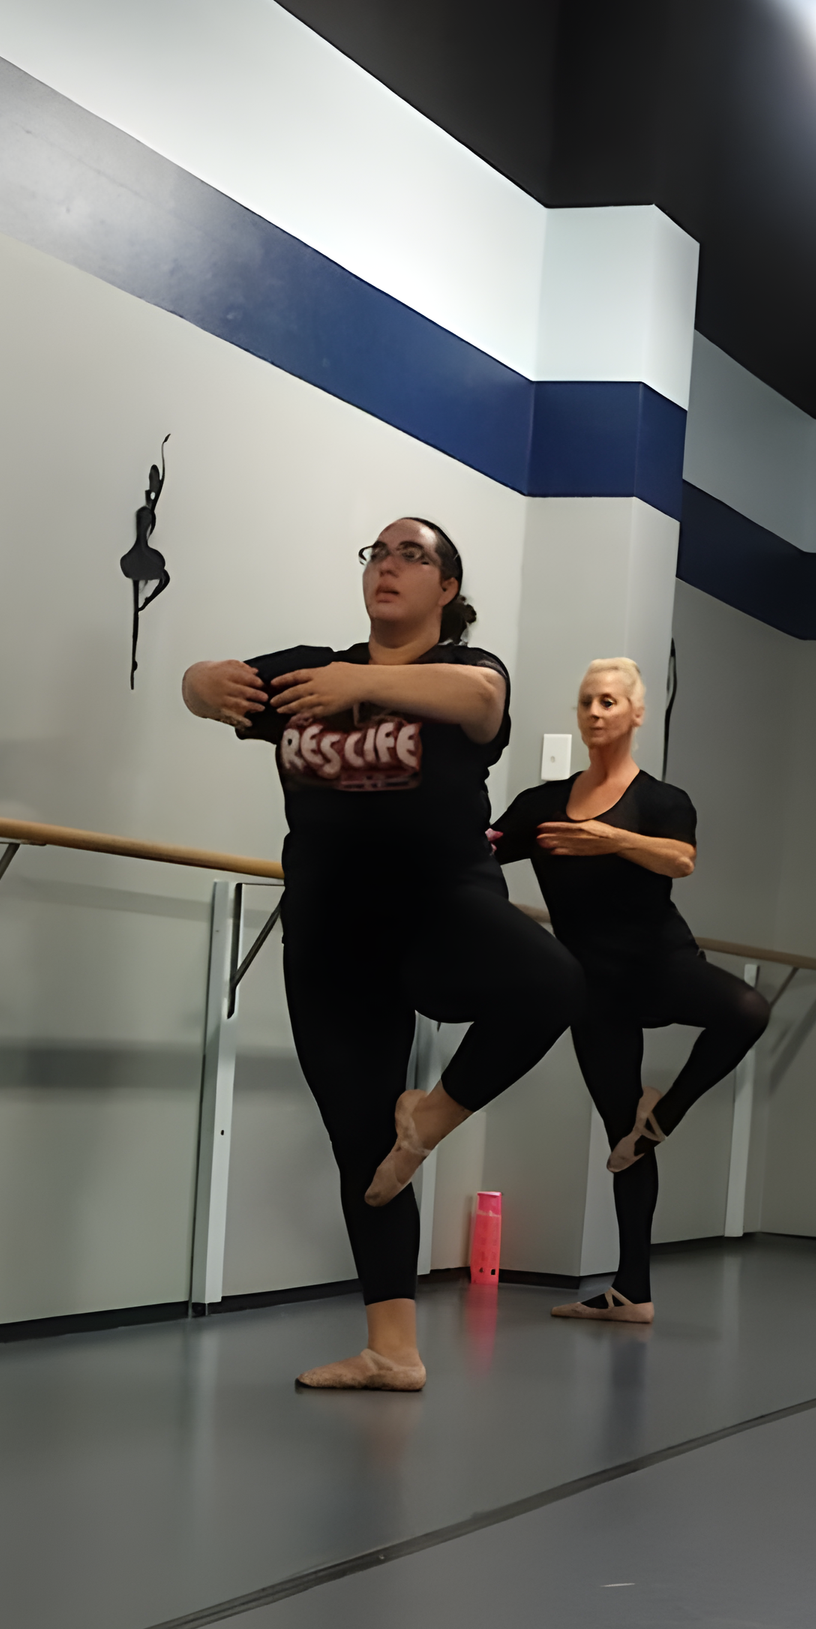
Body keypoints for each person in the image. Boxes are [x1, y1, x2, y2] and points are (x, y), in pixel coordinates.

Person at [182, 518, 583, 1390]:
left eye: (415, 555)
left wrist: (354, 683)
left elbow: (482, 708)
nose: (390, 566)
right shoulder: (303, 668)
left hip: (441, 907)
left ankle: (432, 1114)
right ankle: (392, 1347)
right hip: (330, 931)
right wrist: (199, 682)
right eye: (378, 552)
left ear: (447, 589)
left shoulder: (470, 671)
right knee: (362, 1145)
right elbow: (209, 686)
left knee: (552, 981)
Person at [493, 657, 769, 1325]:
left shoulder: (663, 800)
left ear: (637, 714)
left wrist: (608, 838)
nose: (594, 712)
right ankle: (632, 1289)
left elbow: (681, 859)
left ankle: (665, 1113)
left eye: (609, 701)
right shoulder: (539, 805)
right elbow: (482, 850)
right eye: (587, 701)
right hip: (593, 986)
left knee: (747, 1010)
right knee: (624, 1139)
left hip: (660, 962)